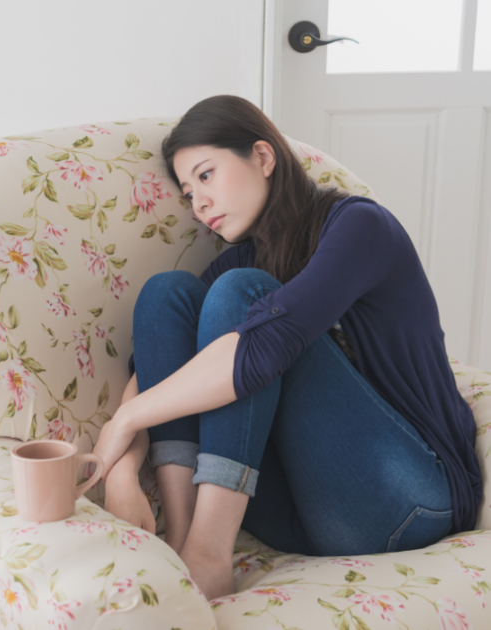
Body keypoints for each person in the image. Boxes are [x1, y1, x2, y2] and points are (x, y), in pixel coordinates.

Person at [91, 94, 483, 603]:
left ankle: (208, 555)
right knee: (165, 296)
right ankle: (183, 546)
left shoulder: (359, 226)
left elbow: (262, 346)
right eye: (188, 192)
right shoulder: (247, 260)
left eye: (206, 176)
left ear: (262, 156)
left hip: (405, 502)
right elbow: (161, 367)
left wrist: (120, 424)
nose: (198, 204)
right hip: (302, 514)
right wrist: (121, 471)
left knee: (241, 299)